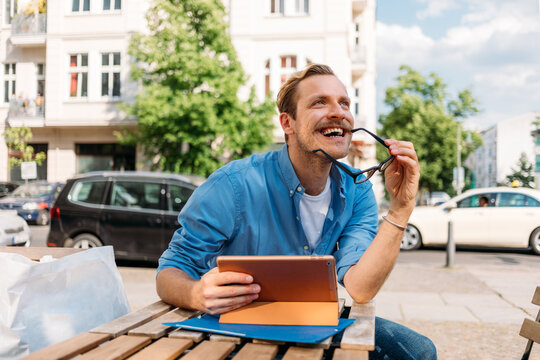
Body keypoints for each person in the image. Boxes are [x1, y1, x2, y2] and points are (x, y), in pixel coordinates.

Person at [157, 64, 437, 359]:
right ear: (287, 123)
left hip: (311, 323)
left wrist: (402, 207)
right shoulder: (232, 185)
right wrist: (196, 294)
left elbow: (361, 288)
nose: (338, 112)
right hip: (239, 328)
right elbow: (169, 273)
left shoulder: (357, 189)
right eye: (319, 102)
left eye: (344, 103)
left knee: (418, 352)